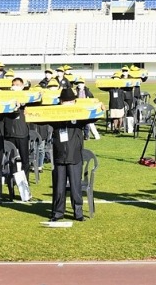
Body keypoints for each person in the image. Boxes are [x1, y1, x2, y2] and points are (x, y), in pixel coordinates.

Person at [47, 87, 96, 222]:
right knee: (59, 186)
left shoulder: (79, 114)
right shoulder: (55, 114)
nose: (67, 103)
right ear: (61, 102)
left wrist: (100, 108)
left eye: (70, 101)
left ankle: (78, 213)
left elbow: (92, 117)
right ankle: (57, 212)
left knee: (75, 187)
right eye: (65, 101)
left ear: (74, 102)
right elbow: (39, 118)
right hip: (59, 156)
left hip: (75, 156)